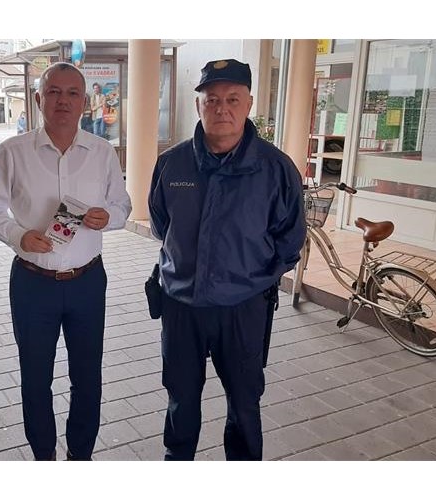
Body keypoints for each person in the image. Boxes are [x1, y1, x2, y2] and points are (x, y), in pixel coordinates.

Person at [148, 58, 307, 461]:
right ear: (198, 105)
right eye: (212, 99)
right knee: (181, 399)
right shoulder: (172, 164)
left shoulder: (275, 169)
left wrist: (248, 278)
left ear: (249, 104)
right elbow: (161, 224)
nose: (222, 108)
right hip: (181, 306)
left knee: (244, 403)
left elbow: (290, 241)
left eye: (233, 99)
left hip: (243, 309)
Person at [0, 62, 131, 461]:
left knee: (88, 378)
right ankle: (43, 456)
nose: (63, 100)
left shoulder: (102, 152)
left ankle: (80, 455)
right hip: (33, 283)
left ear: (85, 101)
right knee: (35, 379)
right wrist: (17, 235)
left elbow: (122, 205)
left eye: (72, 93)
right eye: (54, 92)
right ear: (38, 98)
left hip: (87, 282)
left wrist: (109, 217)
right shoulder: (13, 152)